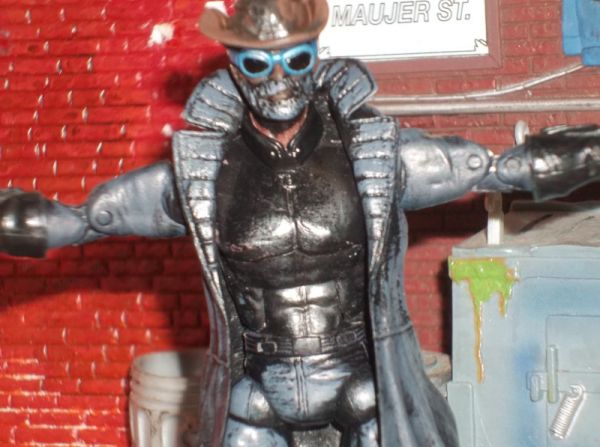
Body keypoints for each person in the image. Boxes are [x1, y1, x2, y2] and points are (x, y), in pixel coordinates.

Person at [1, 0, 599, 445]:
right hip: (259, 389)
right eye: (257, 62)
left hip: (364, 383)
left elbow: (500, 169)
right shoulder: (200, 176)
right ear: (235, 66)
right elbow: (83, 221)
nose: (278, 79)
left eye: (296, 58)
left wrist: (590, 151)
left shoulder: (376, 156)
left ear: (316, 58)